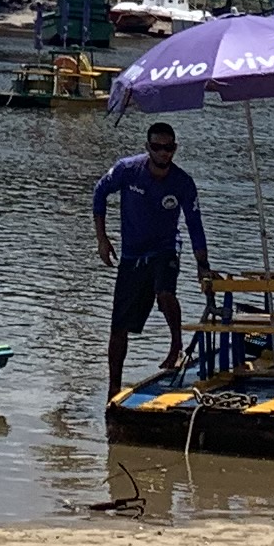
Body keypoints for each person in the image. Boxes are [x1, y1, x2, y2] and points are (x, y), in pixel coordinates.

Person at [92, 119, 214, 399]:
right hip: (132, 254)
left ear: (175, 149)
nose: (163, 153)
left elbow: (195, 224)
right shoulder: (127, 170)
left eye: (168, 148)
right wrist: (102, 238)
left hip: (165, 249)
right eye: (157, 148)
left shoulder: (182, 182)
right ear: (148, 147)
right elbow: (99, 192)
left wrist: (202, 266)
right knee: (118, 326)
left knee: (164, 291)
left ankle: (175, 344)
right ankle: (114, 387)